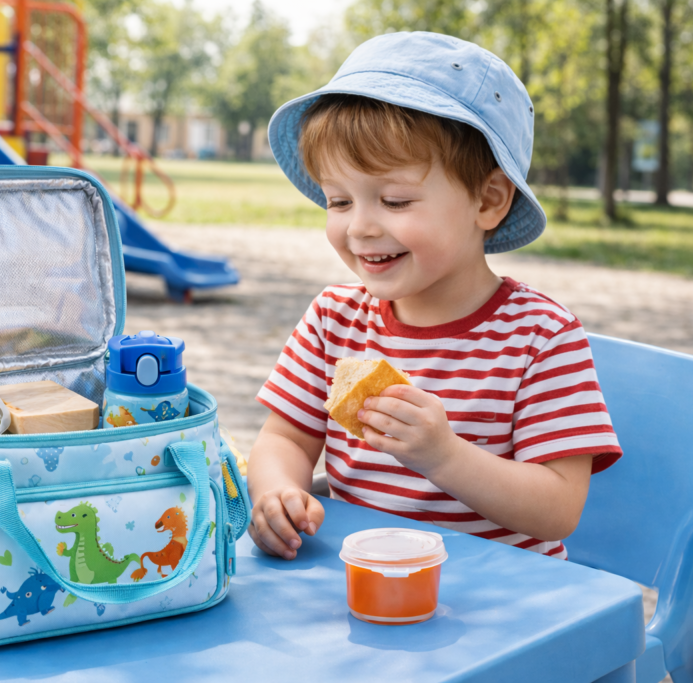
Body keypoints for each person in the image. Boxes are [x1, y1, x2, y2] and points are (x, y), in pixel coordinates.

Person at [249, 32, 622, 561]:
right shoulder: (333, 320)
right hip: (363, 580)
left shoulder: (539, 338)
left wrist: (444, 456)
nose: (360, 227)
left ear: (487, 200)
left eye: (395, 200)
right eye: (338, 201)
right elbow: (285, 439)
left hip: (501, 593)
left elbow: (558, 509)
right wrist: (278, 492)